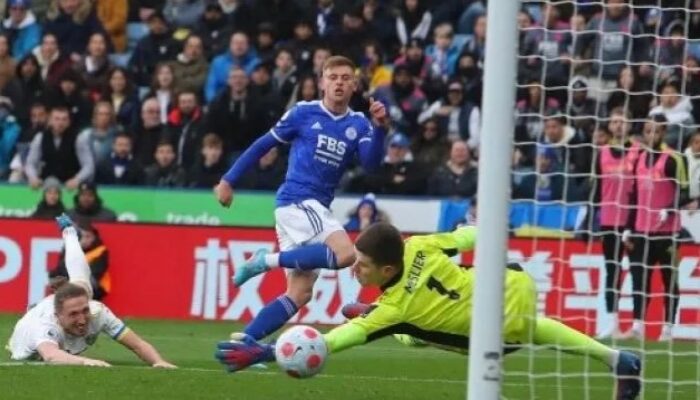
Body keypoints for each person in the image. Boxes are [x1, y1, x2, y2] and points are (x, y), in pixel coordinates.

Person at [215, 223, 642, 400]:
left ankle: (377, 316)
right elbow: (471, 236)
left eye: (361, 264)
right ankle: (617, 359)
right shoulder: (417, 244)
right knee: (417, 328)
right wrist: (495, 227)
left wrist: (269, 353)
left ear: (386, 268)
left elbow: (330, 342)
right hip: (514, 283)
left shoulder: (395, 306)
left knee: (407, 327)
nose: (354, 266)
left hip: (495, 333)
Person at [213, 55, 388, 360]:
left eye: (346, 78)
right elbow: (262, 144)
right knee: (346, 254)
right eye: (332, 77)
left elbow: (372, 166)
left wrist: (381, 128)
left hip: (314, 208)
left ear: (354, 85)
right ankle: (264, 261)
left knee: (300, 293)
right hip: (297, 200)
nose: (339, 83)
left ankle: (244, 347)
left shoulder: (359, 123)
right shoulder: (304, 113)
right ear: (322, 82)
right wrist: (229, 180)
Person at [7, 214, 176, 368]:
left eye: (84, 310)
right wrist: (87, 362)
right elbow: (51, 355)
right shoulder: (45, 324)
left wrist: (158, 361)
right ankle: (70, 233)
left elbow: (138, 345)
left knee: (82, 284)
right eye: (74, 314)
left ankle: (69, 232)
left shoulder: (97, 312)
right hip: (23, 343)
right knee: (80, 285)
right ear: (58, 315)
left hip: (61, 309)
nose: (82, 320)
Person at [623, 114, 692, 341]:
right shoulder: (639, 158)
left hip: (667, 233)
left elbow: (685, 192)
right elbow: (633, 195)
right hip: (642, 231)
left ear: (663, 132)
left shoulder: (673, 159)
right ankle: (637, 326)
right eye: (647, 130)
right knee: (639, 279)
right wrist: (627, 226)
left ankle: (668, 329)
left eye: (655, 130)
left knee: (668, 280)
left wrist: (669, 209)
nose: (650, 134)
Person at [590, 108, 640, 339]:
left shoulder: (638, 152)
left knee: (639, 271)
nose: (619, 125)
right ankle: (613, 321)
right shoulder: (602, 153)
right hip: (609, 220)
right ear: (609, 126)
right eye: (615, 122)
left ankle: (638, 324)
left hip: (634, 221)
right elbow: (598, 189)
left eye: (623, 122)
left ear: (629, 126)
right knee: (612, 271)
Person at [25, 106, 94, 190]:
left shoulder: (78, 138)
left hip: (71, 184)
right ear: (50, 121)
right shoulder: (40, 137)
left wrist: (77, 179)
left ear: (69, 122)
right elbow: (30, 163)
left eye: (64, 119)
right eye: (57, 119)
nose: (60, 123)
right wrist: (33, 177)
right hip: (47, 183)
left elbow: (88, 165)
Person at [49, 222, 110, 300]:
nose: (84, 240)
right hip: (71, 285)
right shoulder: (69, 248)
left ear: (95, 237)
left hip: (96, 287)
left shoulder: (100, 251)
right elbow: (61, 268)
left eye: (88, 236)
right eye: (81, 236)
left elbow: (96, 273)